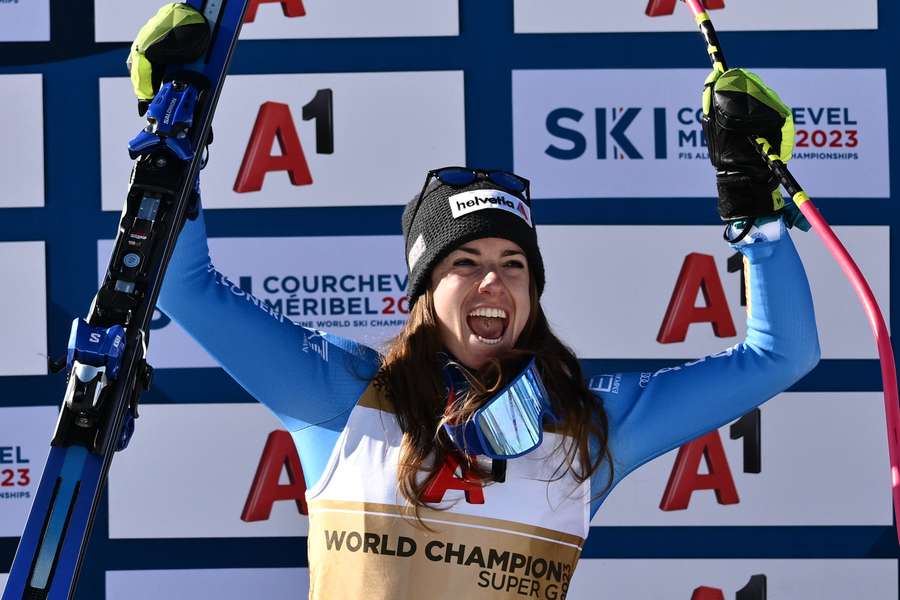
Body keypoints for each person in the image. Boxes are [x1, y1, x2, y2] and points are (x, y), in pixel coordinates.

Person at [133, 5, 820, 598]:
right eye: (466, 262)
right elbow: (183, 287)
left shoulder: (591, 427)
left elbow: (781, 355)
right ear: (426, 291)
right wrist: (173, 140)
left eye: (513, 265)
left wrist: (750, 206)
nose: (494, 282)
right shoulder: (342, 393)